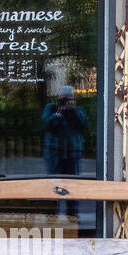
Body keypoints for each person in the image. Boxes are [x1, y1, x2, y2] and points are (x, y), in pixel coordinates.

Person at [42, 85, 88, 219]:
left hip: (73, 152)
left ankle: (72, 217)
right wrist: (58, 113)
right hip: (54, 151)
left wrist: (73, 110)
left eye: (70, 99)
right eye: (64, 99)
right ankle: (52, 216)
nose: (67, 102)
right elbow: (46, 125)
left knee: (72, 185)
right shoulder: (51, 108)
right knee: (53, 184)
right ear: (59, 99)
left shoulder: (77, 111)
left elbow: (84, 125)